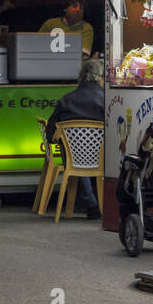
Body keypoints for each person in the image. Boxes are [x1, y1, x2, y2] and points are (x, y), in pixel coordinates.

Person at [45, 57, 106, 217]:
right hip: (102, 159)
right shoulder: (107, 102)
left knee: (76, 156)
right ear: (100, 78)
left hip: (74, 160)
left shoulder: (66, 100)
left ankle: (91, 202)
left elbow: (50, 135)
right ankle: (109, 202)